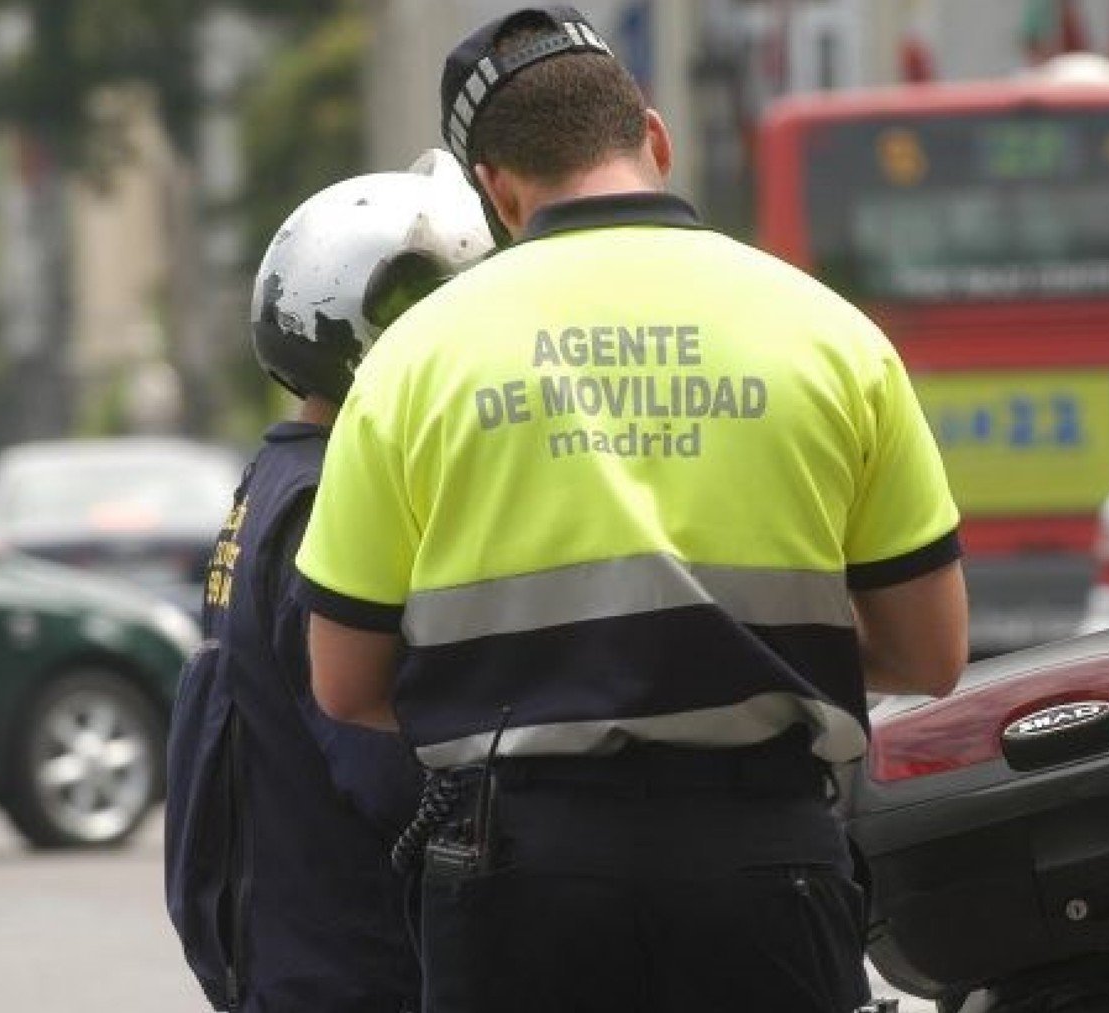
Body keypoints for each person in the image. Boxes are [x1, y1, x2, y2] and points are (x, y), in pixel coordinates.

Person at [293, 7, 969, 1011]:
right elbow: (930, 654)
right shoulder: (833, 337)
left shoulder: (410, 363)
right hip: (765, 863)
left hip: (516, 876)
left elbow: (344, 681)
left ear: (495, 189)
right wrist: (730, 652)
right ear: (655, 136)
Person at [163, 149, 495, 1013]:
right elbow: (386, 766)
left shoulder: (274, 480)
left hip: (295, 957)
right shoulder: (330, 500)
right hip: (360, 968)